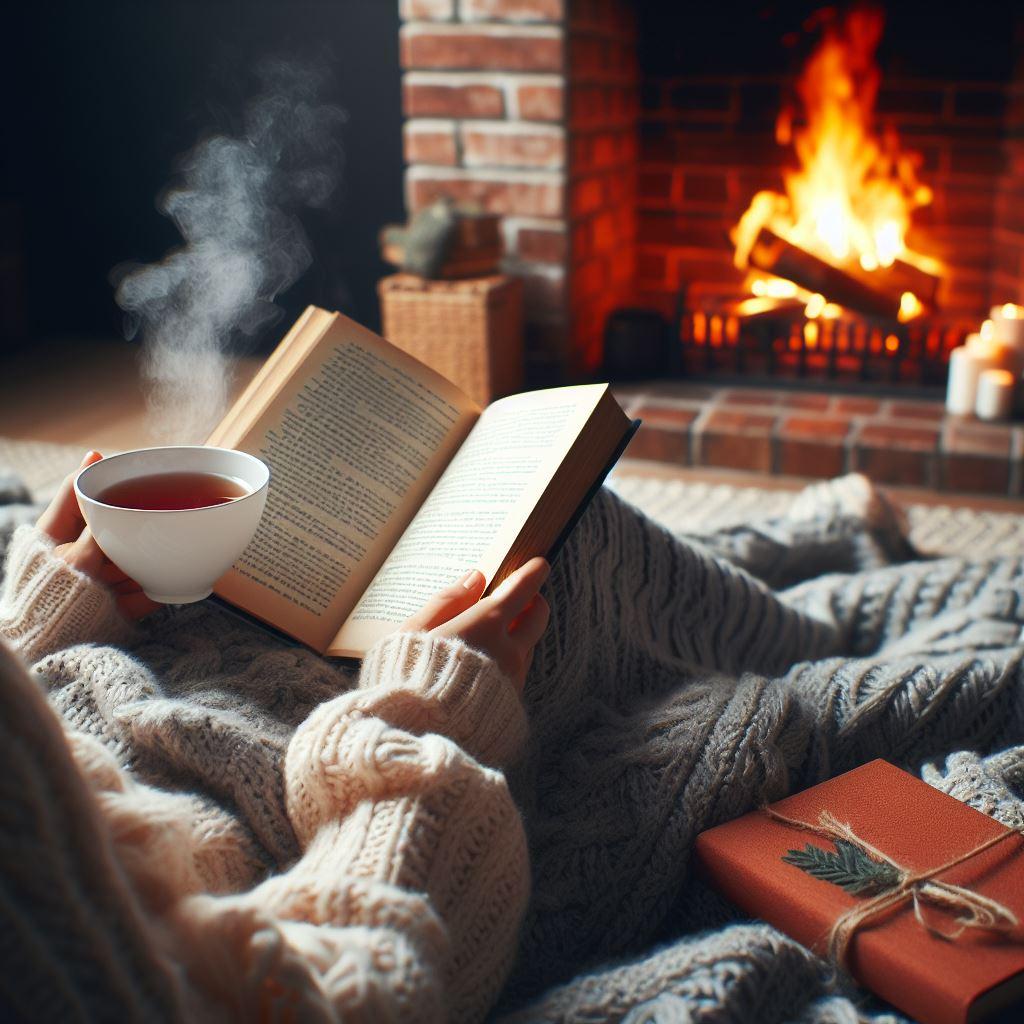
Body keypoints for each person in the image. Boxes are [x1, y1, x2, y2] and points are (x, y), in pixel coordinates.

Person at [4, 449, 1023, 1024]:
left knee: (546, 538)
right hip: (312, 769)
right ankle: (815, 609)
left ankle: (798, 572)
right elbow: (354, 992)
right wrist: (431, 708)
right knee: (576, 571)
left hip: (114, 672)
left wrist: (38, 625)